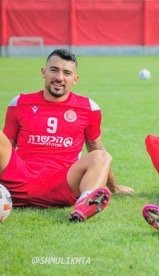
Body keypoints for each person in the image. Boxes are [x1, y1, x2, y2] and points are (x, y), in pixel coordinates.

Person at [0, 49, 133, 222]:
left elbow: (96, 148)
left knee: (102, 156)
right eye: (54, 70)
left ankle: (85, 204)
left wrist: (113, 187)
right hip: (18, 178)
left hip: (62, 183)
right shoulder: (19, 102)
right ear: (43, 72)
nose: (59, 77)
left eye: (67, 73)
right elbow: (5, 147)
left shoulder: (89, 108)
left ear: (75, 79)